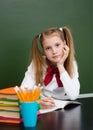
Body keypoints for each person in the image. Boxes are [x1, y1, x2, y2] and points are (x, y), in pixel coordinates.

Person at [21, 26, 80, 109]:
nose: (54, 51)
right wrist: (38, 102)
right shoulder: (36, 64)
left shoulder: (72, 64)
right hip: (42, 106)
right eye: (48, 48)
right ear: (44, 51)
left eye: (57, 45)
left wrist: (60, 66)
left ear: (64, 44)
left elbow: (73, 95)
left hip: (63, 106)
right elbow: (23, 91)